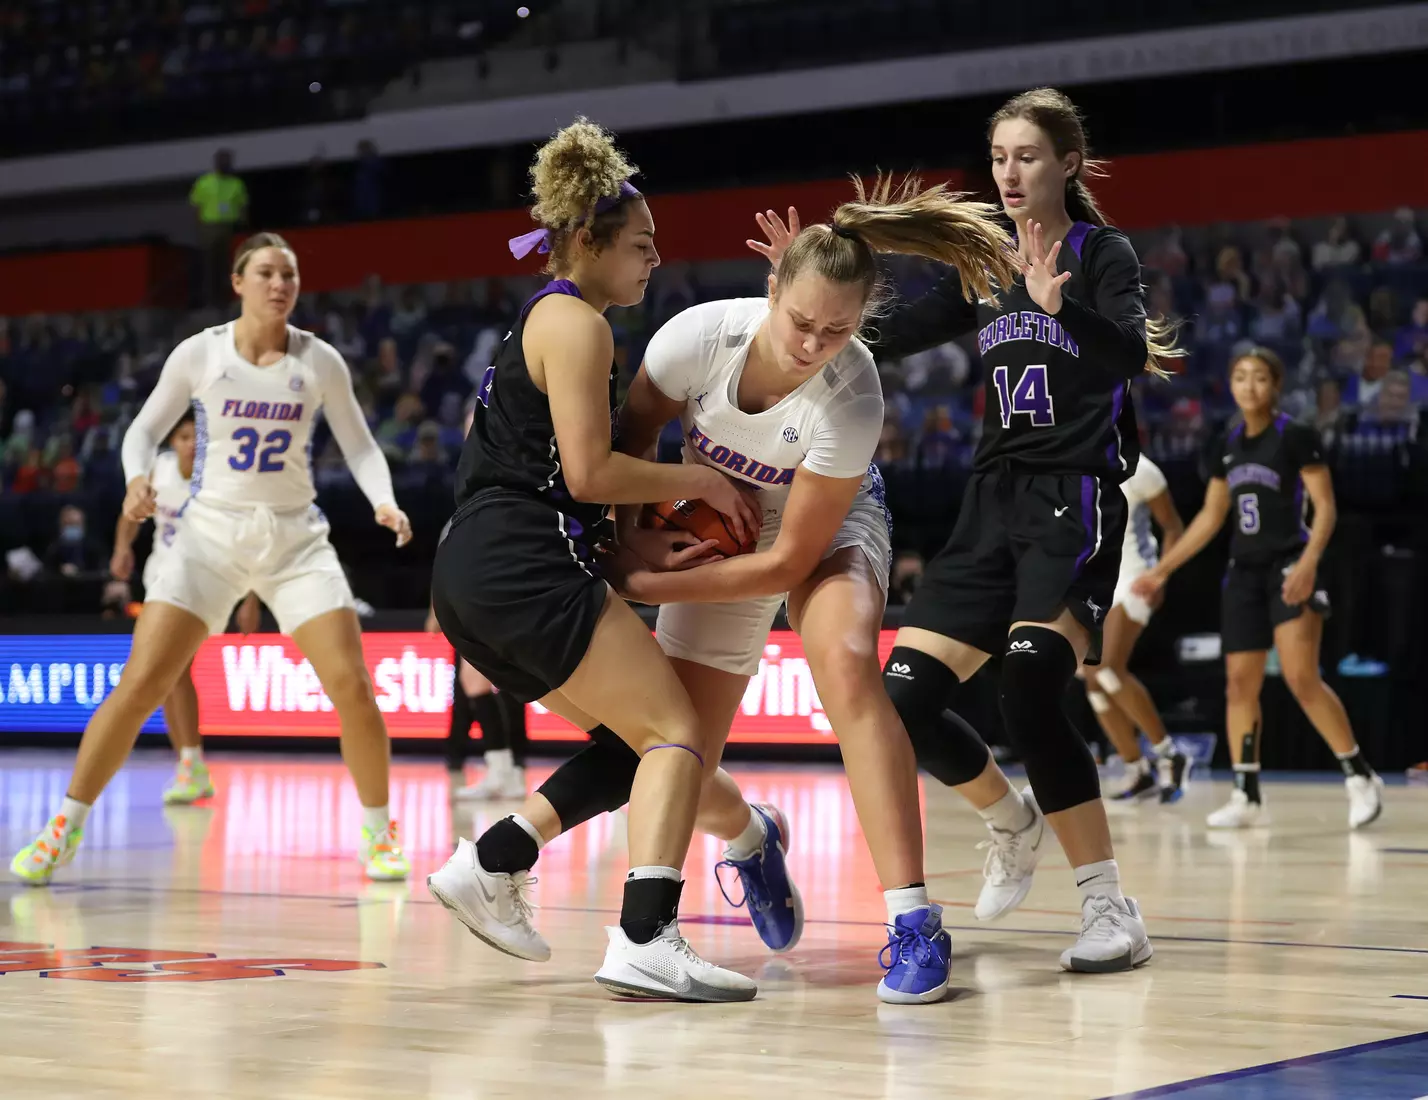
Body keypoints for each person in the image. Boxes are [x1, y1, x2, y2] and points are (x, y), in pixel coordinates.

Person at [429, 175, 1020, 1005]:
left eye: (839, 330)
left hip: (823, 527)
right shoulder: (695, 337)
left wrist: (638, 575)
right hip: (725, 535)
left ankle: (914, 923)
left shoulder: (851, 393)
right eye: (802, 322)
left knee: (847, 672)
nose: (816, 343)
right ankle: (748, 838)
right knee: (668, 748)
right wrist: (637, 541)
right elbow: (618, 462)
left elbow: (787, 563)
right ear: (770, 288)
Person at [755, 87, 1184, 973]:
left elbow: (1129, 356)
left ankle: (1110, 908)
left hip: (1072, 499)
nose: (1009, 172)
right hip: (989, 500)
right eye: (998, 158)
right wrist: (798, 298)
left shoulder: (1103, 254)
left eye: (1027, 156)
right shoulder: (986, 266)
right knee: (900, 702)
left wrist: (1060, 308)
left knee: (1029, 690)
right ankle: (1008, 820)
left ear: (1068, 162)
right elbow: (892, 338)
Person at [427, 119, 763, 1003]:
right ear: (589, 241)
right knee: (680, 730)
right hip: (519, 562)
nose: (656, 260)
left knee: (634, 742)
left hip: (479, 570)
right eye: (643, 246)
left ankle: (493, 862)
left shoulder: (539, 324)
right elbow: (585, 471)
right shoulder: (577, 324)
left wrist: (622, 544)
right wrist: (698, 474)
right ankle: (647, 934)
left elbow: (547, 473)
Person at [11, 232, 416, 886]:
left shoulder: (320, 361)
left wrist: (384, 501)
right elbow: (141, 431)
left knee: (353, 685)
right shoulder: (201, 353)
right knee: (140, 684)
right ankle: (64, 827)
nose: (280, 284)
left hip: (293, 538)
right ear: (238, 282)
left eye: (289, 274)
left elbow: (363, 448)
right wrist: (137, 478)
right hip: (209, 535)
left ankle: (378, 834)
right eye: (266, 272)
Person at [1134, 348, 1384, 830]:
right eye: (1241, 377)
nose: (1249, 386)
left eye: (1260, 378)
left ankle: (1359, 776)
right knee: (1238, 686)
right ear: (1230, 384)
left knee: (1300, 678)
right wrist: (1162, 570)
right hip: (1243, 573)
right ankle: (1246, 794)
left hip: (1291, 564)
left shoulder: (1296, 436)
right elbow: (1211, 517)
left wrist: (1309, 564)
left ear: (1276, 386)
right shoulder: (1227, 442)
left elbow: (1326, 509)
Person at [109, 408, 262, 805]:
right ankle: (189, 763)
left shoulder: (219, 476)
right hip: (161, 576)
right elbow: (130, 513)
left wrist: (250, 596)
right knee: (169, 673)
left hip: (205, 579)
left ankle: (190, 762)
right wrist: (123, 546)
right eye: (182, 437)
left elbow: (247, 535)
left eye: (197, 437)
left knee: (173, 669)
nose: (191, 444)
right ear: (171, 443)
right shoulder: (157, 470)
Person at [1080, 453, 1191, 803]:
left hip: (1136, 577)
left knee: (1108, 667)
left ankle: (1170, 753)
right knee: (1093, 681)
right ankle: (1137, 769)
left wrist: (1161, 576)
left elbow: (1174, 527)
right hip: (1097, 583)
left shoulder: (1141, 469)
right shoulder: (1073, 464)